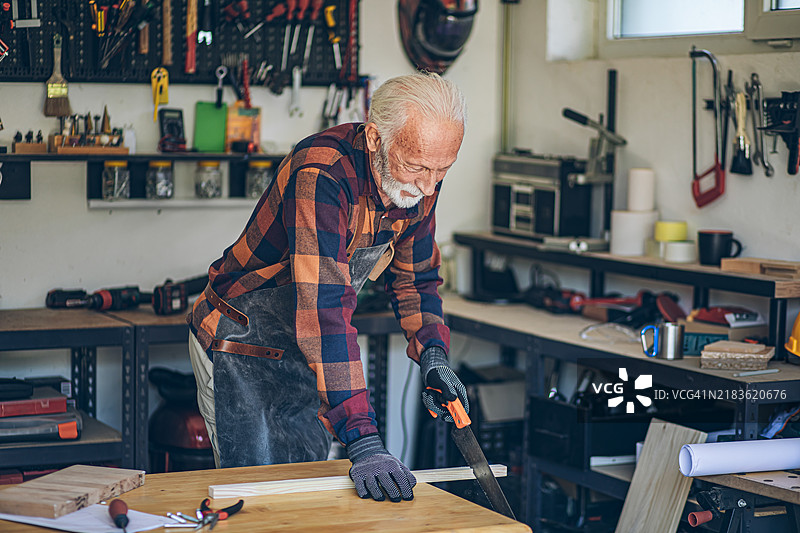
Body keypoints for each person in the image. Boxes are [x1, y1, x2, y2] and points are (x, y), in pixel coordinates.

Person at [187, 71, 469, 503]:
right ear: (376, 138)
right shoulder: (322, 173)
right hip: (242, 348)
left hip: (306, 354)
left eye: (442, 170)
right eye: (416, 168)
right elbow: (325, 310)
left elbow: (417, 277)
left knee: (308, 503)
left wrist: (432, 350)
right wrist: (364, 439)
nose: (429, 186)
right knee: (259, 506)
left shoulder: (420, 178)